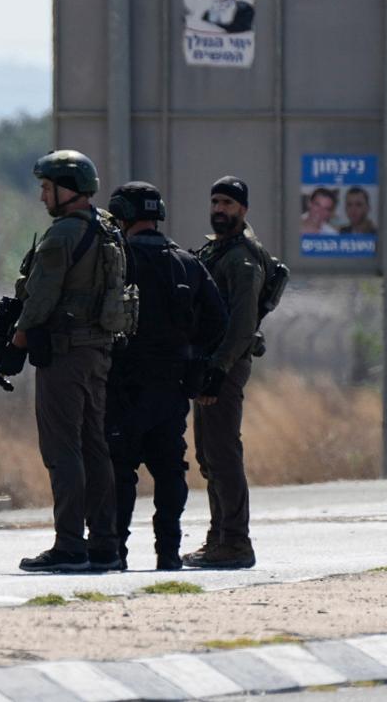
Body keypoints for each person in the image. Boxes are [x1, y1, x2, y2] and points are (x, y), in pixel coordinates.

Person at [0, 149, 123, 573]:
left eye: (47, 188)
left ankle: (69, 544)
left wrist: (17, 340)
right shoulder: (106, 230)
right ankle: (105, 543)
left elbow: (41, 297)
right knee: (94, 446)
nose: (41, 197)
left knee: (63, 449)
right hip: (97, 350)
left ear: (68, 191)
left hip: (66, 353)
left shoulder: (63, 235)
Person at [105, 182, 227, 571]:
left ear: (121, 215)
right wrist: (194, 363)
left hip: (123, 385)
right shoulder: (187, 264)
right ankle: (168, 553)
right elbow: (218, 321)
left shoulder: (118, 261)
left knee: (120, 471)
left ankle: (116, 552)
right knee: (170, 472)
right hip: (171, 388)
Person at [186, 176, 268, 570]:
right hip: (211, 363)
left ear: (243, 210)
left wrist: (217, 370)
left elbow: (241, 325)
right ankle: (219, 537)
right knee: (209, 454)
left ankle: (235, 541)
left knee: (222, 453)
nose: (220, 209)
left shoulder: (242, 261)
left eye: (228, 204)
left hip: (226, 365)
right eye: (216, 202)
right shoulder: (219, 252)